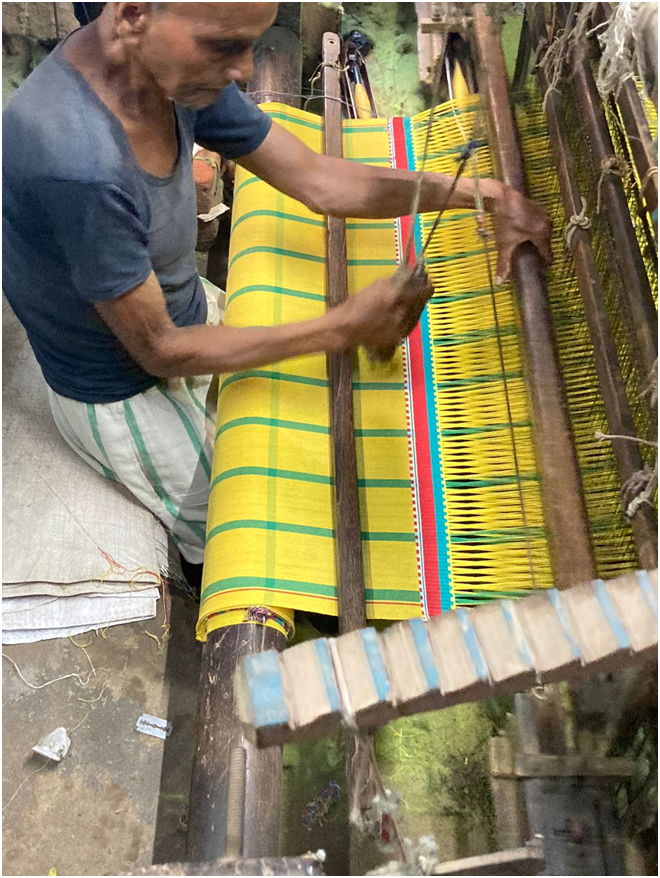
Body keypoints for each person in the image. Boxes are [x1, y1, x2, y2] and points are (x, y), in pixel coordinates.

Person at [2, 1, 552, 577]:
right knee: (234, 537)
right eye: (224, 46)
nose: (243, 69)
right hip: (119, 386)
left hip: (182, 313)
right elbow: (158, 350)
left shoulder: (171, 74)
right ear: (134, 15)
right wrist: (343, 326)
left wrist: (480, 195)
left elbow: (319, 180)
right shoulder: (79, 164)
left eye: (251, 44)